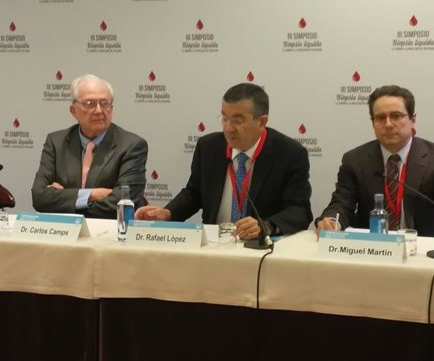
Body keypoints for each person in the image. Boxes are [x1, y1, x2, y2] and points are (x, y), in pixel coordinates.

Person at [316, 85, 434, 260]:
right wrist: (332, 221)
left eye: (396, 116)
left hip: (423, 253)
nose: (388, 124)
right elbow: (341, 203)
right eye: (380, 118)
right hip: (370, 252)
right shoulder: (355, 159)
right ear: (372, 122)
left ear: (413, 119)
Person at [135, 83, 312, 242]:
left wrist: (266, 226)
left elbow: (299, 211)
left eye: (237, 121)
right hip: (214, 246)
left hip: (259, 248)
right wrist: (168, 213)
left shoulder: (289, 153)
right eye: (225, 118)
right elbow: (194, 194)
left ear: (262, 122)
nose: (228, 128)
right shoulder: (209, 147)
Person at [31, 74, 148, 218]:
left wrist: (64, 200)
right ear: (73, 111)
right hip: (65, 231)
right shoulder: (56, 142)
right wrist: (92, 194)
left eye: (104, 103)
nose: (99, 110)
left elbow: (123, 202)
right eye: (90, 103)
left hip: (109, 230)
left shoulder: (131, 145)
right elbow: (39, 197)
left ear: (111, 108)